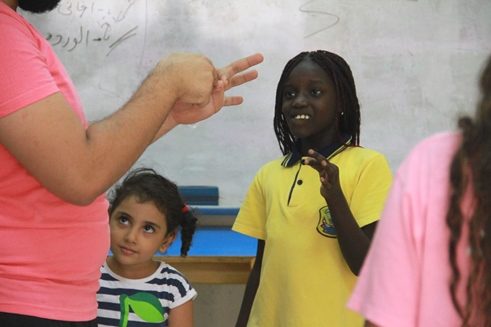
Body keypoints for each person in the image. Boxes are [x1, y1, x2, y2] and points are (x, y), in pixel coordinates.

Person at [0, 0, 263, 325]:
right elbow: (82, 172)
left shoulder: (12, 32)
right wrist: (167, 81)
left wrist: (167, 113)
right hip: (23, 301)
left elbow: (65, 154)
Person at [232, 50, 393, 327]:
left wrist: (335, 197)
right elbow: (261, 267)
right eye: (289, 94)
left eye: (315, 92)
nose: (299, 102)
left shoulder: (368, 165)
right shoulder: (268, 175)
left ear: (340, 102)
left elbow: (366, 268)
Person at [347, 56, 491, 326]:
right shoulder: (433, 164)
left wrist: (333, 197)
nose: (298, 102)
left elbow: (360, 261)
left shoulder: (425, 162)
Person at [97, 168, 198, 327]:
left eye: (148, 228)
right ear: (108, 217)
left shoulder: (173, 287)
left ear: (166, 240)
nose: (131, 237)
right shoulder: (91, 274)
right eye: (124, 220)